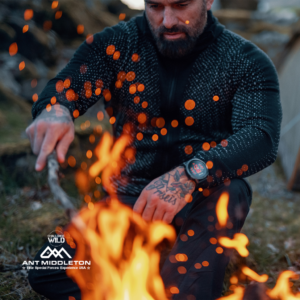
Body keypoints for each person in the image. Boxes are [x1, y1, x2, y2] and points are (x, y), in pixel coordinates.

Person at [26, 0, 282, 299]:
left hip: (203, 198)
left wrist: (189, 175)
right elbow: (65, 88)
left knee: (233, 189)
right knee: (46, 269)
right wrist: (57, 110)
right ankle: (147, 281)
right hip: (126, 200)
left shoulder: (245, 60)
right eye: (155, 6)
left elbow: (261, 136)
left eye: (181, 5)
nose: (168, 20)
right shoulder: (117, 43)